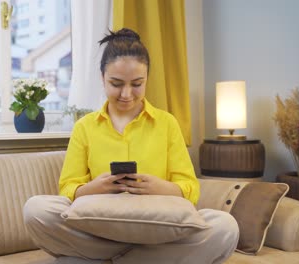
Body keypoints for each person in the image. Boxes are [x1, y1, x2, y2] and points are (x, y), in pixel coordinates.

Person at [23, 28, 239, 264]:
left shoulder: (166, 123)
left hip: (158, 232)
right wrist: (97, 187)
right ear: (102, 78)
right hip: (97, 231)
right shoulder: (84, 127)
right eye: (116, 83)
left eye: (137, 84)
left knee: (225, 227)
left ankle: (103, 260)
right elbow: (67, 189)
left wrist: (159, 187)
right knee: (36, 209)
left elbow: (190, 189)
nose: (127, 94)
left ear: (147, 79)